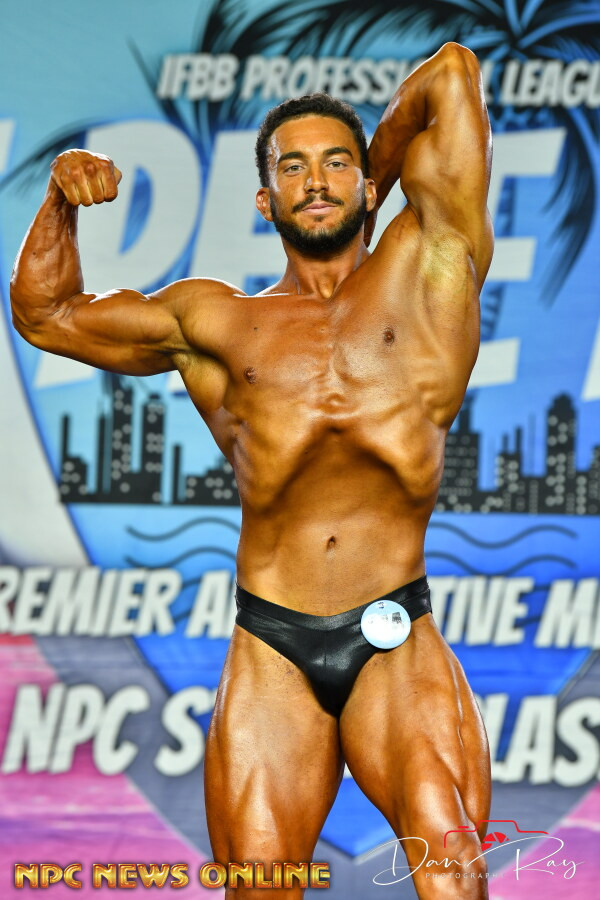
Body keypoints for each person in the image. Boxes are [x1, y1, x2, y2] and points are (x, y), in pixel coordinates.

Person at [11, 41, 494, 899]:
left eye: (336, 163)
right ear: (266, 201)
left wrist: (372, 186)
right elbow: (46, 315)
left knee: (450, 867)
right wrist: (58, 199)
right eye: (294, 169)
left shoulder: (432, 265)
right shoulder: (216, 322)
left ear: (369, 184)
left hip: (396, 633)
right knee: (259, 884)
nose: (316, 181)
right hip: (274, 644)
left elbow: (452, 71)